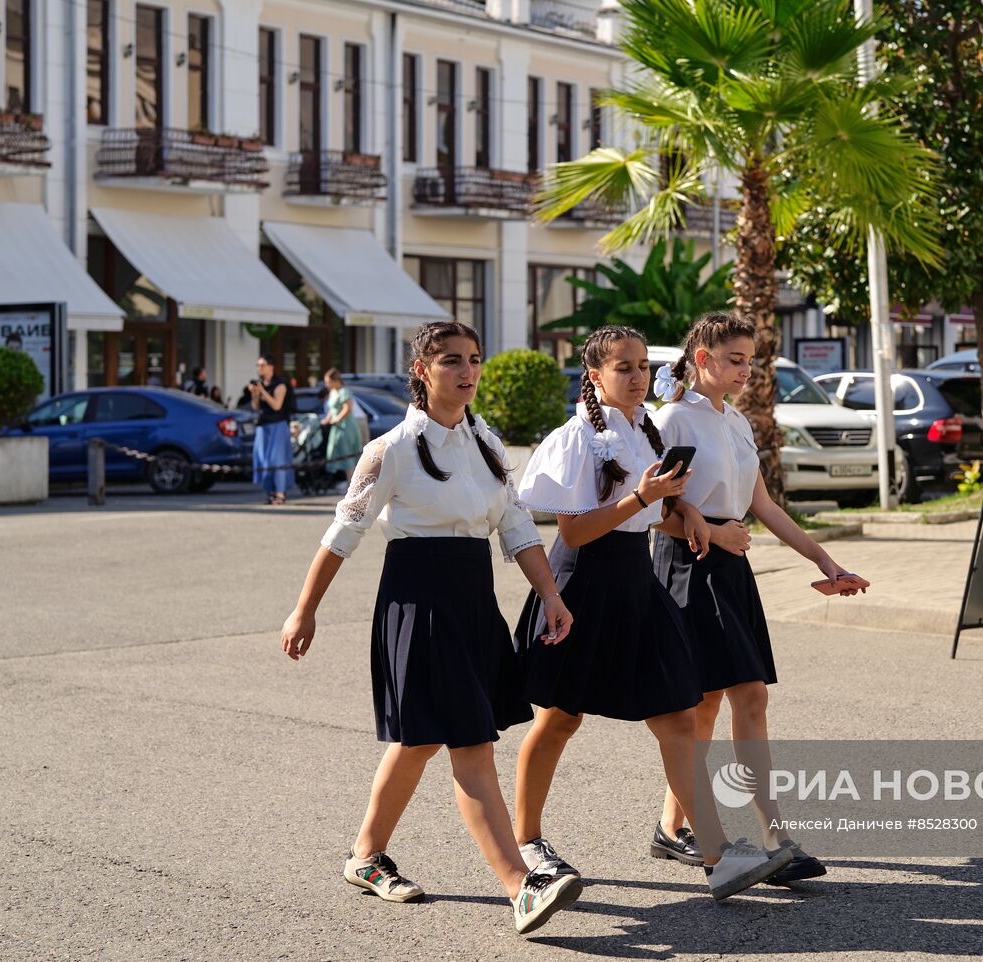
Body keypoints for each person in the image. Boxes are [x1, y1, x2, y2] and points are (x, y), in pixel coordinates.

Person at [278, 320, 584, 935]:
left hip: (472, 601)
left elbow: (518, 527)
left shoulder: (490, 444)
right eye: (451, 361)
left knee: (418, 740)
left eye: (474, 359)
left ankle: (365, 856)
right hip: (415, 601)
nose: (467, 371)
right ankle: (521, 888)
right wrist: (304, 608)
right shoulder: (387, 450)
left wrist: (550, 593)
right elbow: (343, 533)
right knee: (469, 745)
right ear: (422, 370)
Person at [510, 324, 794, 901]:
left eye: (642, 366)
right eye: (623, 368)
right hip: (583, 583)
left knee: (677, 717)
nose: (638, 377)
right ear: (594, 375)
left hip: (637, 584)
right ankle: (528, 841)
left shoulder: (643, 430)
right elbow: (576, 529)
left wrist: (688, 518)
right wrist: (644, 499)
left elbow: (646, 516)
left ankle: (717, 854)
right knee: (560, 718)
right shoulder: (578, 437)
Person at [649, 312, 866, 884]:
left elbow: (764, 507)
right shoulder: (672, 419)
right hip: (689, 564)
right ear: (703, 359)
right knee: (724, 698)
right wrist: (714, 532)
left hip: (733, 567)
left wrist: (826, 561)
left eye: (750, 359)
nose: (748, 370)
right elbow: (654, 509)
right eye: (736, 360)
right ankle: (770, 839)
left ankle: (678, 828)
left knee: (725, 701)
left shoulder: (738, 422)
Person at [249, 355, 294, 505]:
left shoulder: (280, 384)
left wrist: (263, 391)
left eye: (262, 365)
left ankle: (280, 493)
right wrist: (255, 394)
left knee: (278, 459)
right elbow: (255, 407)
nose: (260, 368)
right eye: (258, 365)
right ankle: (270, 492)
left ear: (271, 366)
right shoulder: (261, 384)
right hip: (263, 425)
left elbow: (277, 405)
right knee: (263, 459)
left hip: (278, 425)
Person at [321, 368, 363, 479]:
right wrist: (326, 419)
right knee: (339, 454)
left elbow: (347, 409)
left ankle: (352, 484)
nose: (326, 385)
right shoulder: (332, 392)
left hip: (346, 427)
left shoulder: (344, 391)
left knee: (347, 455)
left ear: (335, 381)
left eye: (328, 382)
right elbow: (332, 409)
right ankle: (346, 482)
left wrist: (336, 419)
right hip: (337, 428)